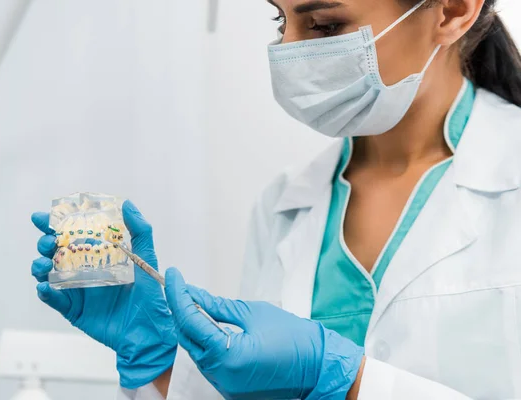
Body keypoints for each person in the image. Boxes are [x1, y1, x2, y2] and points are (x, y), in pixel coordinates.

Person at [31, 0, 521, 398]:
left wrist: (351, 381)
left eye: (325, 26)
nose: (288, 51)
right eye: (281, 21)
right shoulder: (284, 205)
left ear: (453, 11)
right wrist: (162, 365)